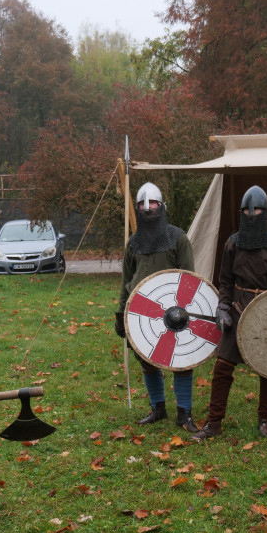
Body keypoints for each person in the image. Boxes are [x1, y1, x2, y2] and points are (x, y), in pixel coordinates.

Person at [192, 186, 267, 441]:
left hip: (266, 310)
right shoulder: (233, 242)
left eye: (257, 209)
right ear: (241, 213)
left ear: (266, 211)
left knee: (266, 367)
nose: (252, 214)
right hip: (238, 308)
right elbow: (225, 280)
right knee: (223, 366)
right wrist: (223, 306)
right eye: (248, 210)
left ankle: (264, 419)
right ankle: (214, 422)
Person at [114, 183, 198, 433]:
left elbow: (189, 279)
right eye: (143, 204)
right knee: (146, 358)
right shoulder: (133, 243)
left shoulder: (178, 238)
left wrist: (184, 312)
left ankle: (184, 413)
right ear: (138, 208)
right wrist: (121, 313)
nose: (148, 208)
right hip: (140, 310)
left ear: (162, 207)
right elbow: (126, 280)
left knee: (181, 359)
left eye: (153, 203)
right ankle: (158, 408)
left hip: (174, 312)